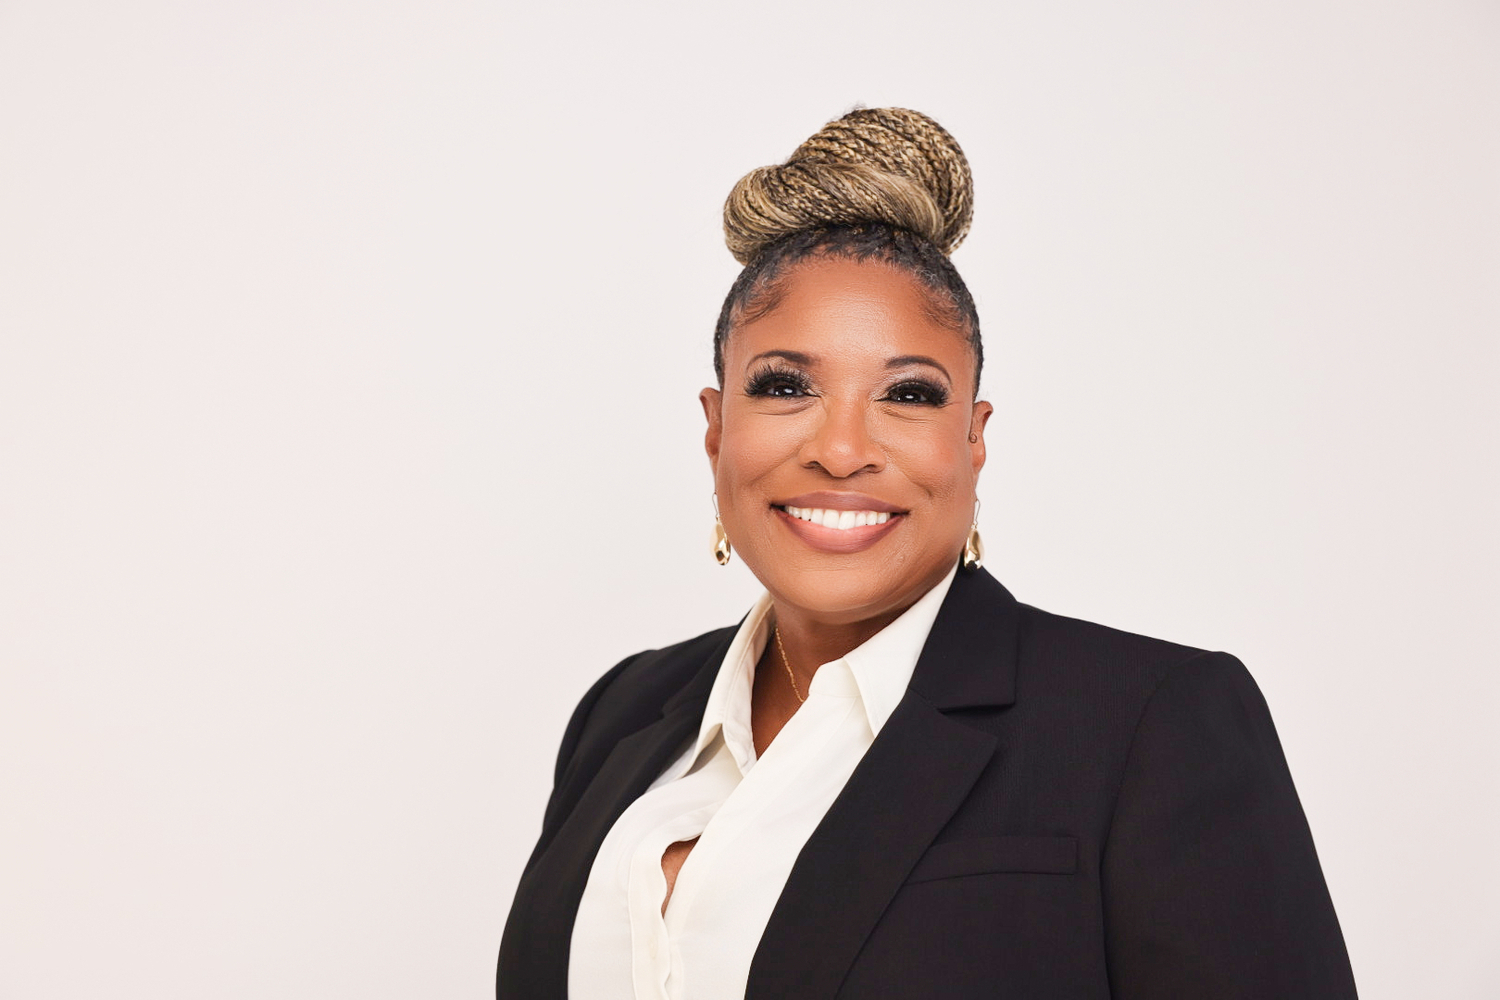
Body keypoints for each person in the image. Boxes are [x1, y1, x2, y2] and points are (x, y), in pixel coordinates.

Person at [496, 107, 1358, 999]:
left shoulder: (1151, 722)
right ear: (717, 429)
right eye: (785, 386)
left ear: (973, 440)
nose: (842, 450)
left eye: (908, 395)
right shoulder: (623, 712)